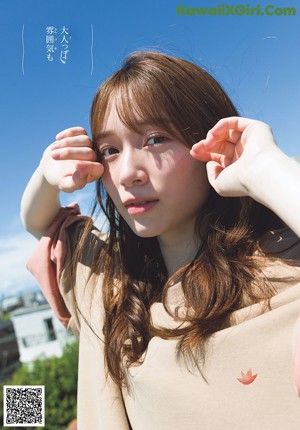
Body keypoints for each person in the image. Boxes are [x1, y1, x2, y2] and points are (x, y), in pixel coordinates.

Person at [21, 51, 300, 429]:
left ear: (208, 137)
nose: (127, 174)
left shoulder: (286, 266)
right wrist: (46, 172)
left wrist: (265, 168)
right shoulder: (112, 288)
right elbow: (39, 222)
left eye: (155, 138)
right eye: (110, 151)